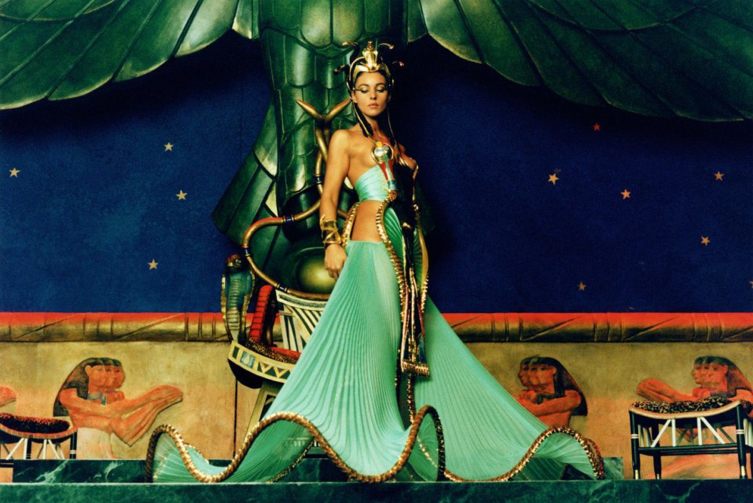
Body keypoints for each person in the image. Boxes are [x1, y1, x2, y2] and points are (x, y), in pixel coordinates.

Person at [147, 41, 603, 483]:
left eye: (380, 88)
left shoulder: (395, 144)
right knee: (375, 340)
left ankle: (440, 440)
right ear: (352, 92)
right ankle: (374, 439)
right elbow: (329, 200)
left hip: (403, 256)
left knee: (412, 343)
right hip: (367, 248)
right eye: (364, 88)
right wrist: (332, 242)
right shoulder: (344, 140)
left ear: (389, 92)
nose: (372, 96)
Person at [55, 357, 182, 458]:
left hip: (104, 450)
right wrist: (148, 397)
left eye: (107, 371)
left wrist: (157, 404)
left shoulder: (108, 396)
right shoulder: (68, 395)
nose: (106, 375)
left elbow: (125, 431)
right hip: (81, 448)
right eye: (101, 370)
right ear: (88, 370)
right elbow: (107, 411)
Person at [515, 356, 587, 428]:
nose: (536, 373)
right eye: (533, 370)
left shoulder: (571, 395)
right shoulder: (526, 394)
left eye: (543, 369)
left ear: (553, 370)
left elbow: (534, 410)